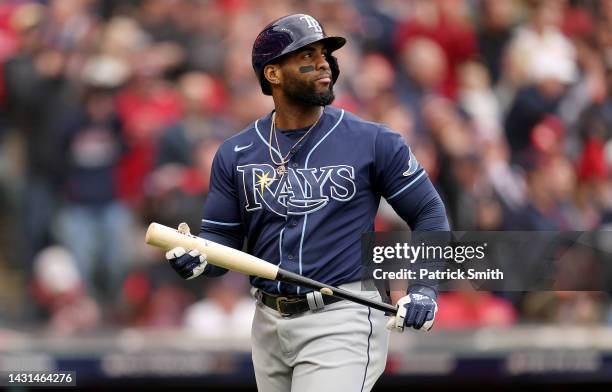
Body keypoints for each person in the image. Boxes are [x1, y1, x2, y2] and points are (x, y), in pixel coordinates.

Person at [165, 14, 449, 391]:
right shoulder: (236, 152)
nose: (323, 63)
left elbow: (430, 213)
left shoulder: (374, 141)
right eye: (306, 54)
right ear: (273, 74)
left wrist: (424, 287)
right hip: (267, 321)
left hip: (341, 315)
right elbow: (221, 242)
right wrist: (198, 257)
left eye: (325, 54)